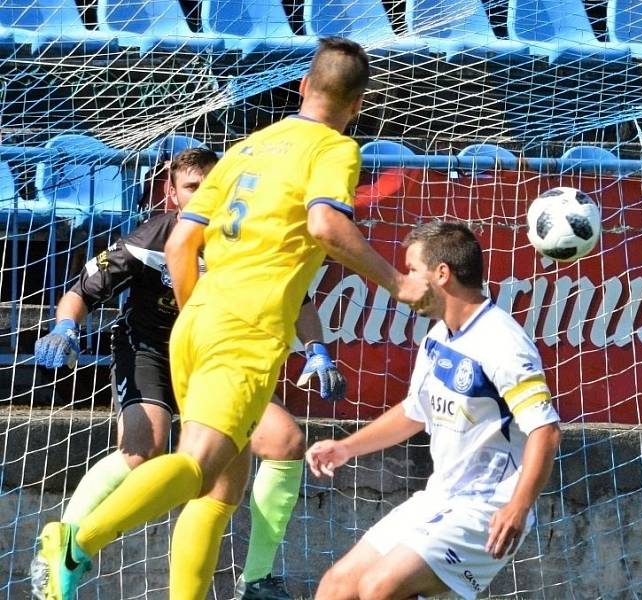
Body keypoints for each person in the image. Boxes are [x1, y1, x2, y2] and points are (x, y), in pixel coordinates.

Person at [31, 36, 433, 600]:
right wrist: (398, 282)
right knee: (196, 466)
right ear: (358, 105)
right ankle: (76, 541)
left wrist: (203, 314)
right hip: (247, 330)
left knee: (221, 490)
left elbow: (181, 245)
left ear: (301, 87)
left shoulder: (248, 146)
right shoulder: (336, 150)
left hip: (199, 321)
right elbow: (325, 226)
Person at [29, 147, 346, 600]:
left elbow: (298, 299)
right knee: (145, 449)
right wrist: (65, 327)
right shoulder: (152, 238)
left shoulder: (244, 240)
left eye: (210, 186)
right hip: (151, 353)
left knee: (285, 442)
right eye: (192, 187)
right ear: (171, 194)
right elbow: (82, 289)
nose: (203, 196)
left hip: (218, 359)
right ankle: (63, 543)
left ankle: (256, 580)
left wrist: (317, 350)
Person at [306, 221, 562, 600]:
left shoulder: (503, 343)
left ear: (442, 274)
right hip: (440, 497)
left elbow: (546, 431)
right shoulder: (439, 335)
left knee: (379, 587)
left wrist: (518, 507)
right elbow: (415, 411)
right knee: (336, 587)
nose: (404, 282)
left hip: (486, 508)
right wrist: (347, 448)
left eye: (411, 271)